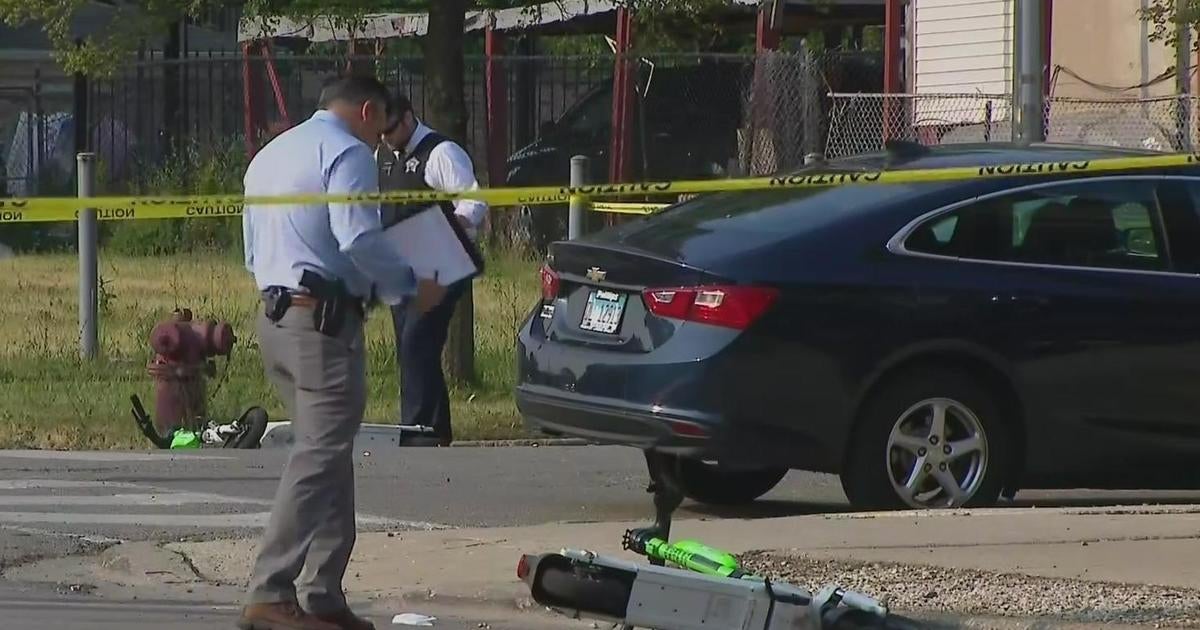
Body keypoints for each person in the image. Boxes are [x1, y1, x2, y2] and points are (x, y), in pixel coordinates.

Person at [238, 75, 446, 630]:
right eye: (380, 125)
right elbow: (355, 236)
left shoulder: (270, 155)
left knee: (326, 453)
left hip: (276, 317)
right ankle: (271, 590)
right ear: (366, 110)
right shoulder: (348, 153)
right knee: (318, 456)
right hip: (320, 324)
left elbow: (252, 250)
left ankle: (322, 592)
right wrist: (406, 284)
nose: (381, 141)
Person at [376, 93, 487, 447]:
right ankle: (436, 430)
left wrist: (443, 232)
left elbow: (473, 201)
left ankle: (417, 431)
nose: (386, 138)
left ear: (408, 117)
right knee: (412, 348)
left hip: (439, 262)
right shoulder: (383, 156)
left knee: (415, 344)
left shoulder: (440, 153)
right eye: (380, 132)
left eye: (390, 130)